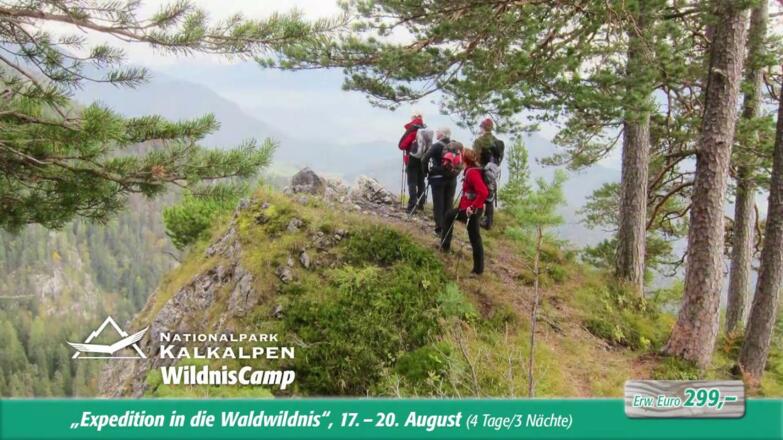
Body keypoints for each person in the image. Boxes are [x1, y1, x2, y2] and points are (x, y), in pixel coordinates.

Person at [440, 149, 489, 275]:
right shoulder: (473, 170)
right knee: (449, 216)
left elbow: (483, 192)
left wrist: (472, 207)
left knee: (474, 238)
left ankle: (478, 270)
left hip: (471, 210)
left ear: (464, 159)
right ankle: (445, 246)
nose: (459, 158)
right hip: (469, 208)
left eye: (460, 156)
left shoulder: (472, 173)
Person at [422, 127, 458, 234]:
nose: (436, 133)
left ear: (442, 134)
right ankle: (448, 230)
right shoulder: (455, 146)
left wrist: (426, 173)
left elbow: (424, 159)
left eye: (438, 131)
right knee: (448, 204)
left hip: (437, 179)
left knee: (438, 204)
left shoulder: (436, 146)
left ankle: (439, 229)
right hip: (452, 179)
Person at [472, 118, 504, 230]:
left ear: (482, 128)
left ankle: (475, 218)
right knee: (489, 197)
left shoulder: (479, 141)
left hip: (481, 170)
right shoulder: (497, 142)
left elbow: (474, 157)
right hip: (493, 172)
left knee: (478, 194)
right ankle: (488, 223)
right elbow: (499, 159)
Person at [398, 111, 427, 213]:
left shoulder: (412, 132)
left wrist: (406, 133)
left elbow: (402, 146)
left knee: (412, 182)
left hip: (412, 160)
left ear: (413, 119)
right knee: (421, 182)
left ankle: (412, 206)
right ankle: (421, 204)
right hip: (423, 160)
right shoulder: (425, 131)